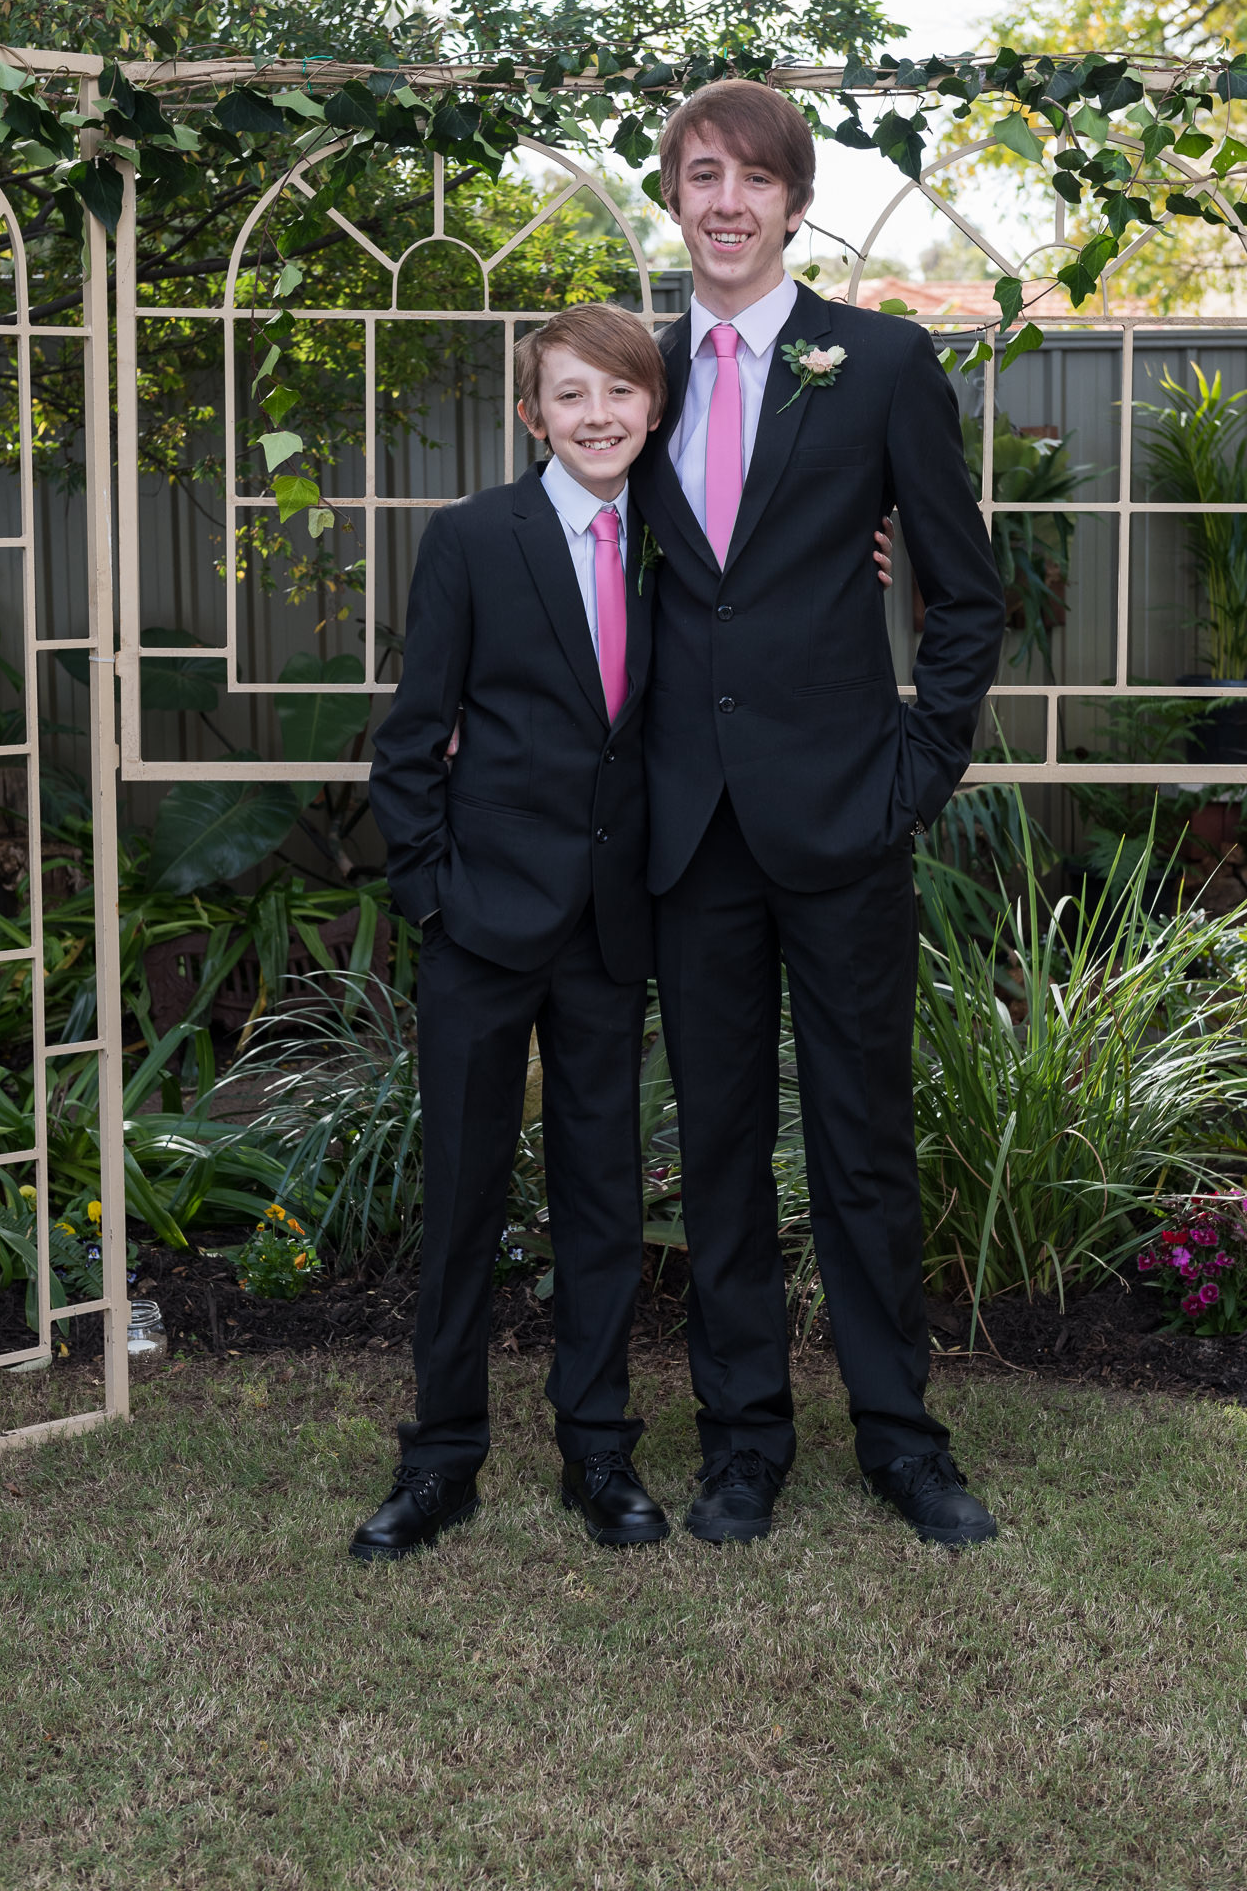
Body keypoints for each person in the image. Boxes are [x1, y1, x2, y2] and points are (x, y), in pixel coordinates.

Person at [631, 79, 1008, 1548]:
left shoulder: (880, 362)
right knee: (716, 1144)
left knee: (859, 1138)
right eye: (699, 176)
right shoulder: (636, 373)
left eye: (752, 178)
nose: (725, 202)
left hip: (846, 817)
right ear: (675, 196)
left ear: (793, 201)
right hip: (690, 831)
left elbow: (962, 593)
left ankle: (900, 1438)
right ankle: (741, 1441)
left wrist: (919, 762)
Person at [353, 304, 672, 1560]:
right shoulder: (473, 539)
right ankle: (441, 1456)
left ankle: (597, 1447)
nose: (598, 415)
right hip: (480, 921)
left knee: (602, 1195)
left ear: (652, 406)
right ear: (531, 414)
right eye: (571, 394)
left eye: (622, 391)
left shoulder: (681, 539)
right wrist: (432, 895)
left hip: (612, 924)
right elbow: (409, 735)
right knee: (463, 1193)